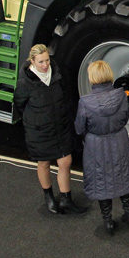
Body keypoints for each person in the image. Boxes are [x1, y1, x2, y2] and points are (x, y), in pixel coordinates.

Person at [14, 44, 84, 215]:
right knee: (44, 162)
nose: (45, 65)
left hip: (60, 126)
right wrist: (36, 120)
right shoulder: (25, 82)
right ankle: (49, 198)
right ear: (32, 61)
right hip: (39, 130)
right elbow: (19, 104)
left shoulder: (57, 74)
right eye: (41, 62)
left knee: (65, 161)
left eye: (47, 60)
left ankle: (66, 199)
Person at [75, 60, 129, 234]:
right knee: (122, 175)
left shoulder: (86, 102)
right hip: (119, 141)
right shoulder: (122, 96)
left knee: (101, 181)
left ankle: (108, 221)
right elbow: (125, 118)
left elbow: (79, 128)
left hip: (97, 146)